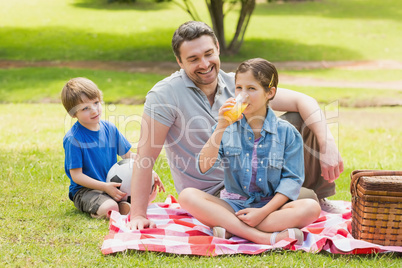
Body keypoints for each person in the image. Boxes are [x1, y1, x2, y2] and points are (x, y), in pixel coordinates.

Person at [128, 21, 344, 230]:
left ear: (218, 49)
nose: (204, 64)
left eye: (208, 54)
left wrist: (328, 144)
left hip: (258, 184)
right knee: (305, 201)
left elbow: (303, 101)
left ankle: (234, 225)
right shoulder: (164, 95)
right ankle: (254, 225)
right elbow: (145, 156)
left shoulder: (238, 85)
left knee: (303, 122)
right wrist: (138, 214)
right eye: (193, 59)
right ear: (179, 61)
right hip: (212, 195)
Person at [179, 58, 321, 244]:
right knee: (187, 196)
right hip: (233, 205)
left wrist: (262, 212)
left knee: (311, 207)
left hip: (270, 208)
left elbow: (291, 181)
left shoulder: (287, 133)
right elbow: (203, 166)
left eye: (251, 89)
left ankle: (230, 228)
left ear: (270, 92)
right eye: (239, 88)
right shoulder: (226, 127)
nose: (243, 95)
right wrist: (221, 126)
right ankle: (263, 237)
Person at [61, 77, 164, 219]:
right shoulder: (73, 139)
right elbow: (77, 176)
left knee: (150, 191)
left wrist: (150, 171)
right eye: (85, 108)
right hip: (87, 190)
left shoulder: (109, 129)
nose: (94, 110)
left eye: (96, 103)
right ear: (73, 113)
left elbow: (129, 157)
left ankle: (123, 206)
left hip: (112, 185)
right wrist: (104, 187)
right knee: (110, 207)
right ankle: (107, 209)